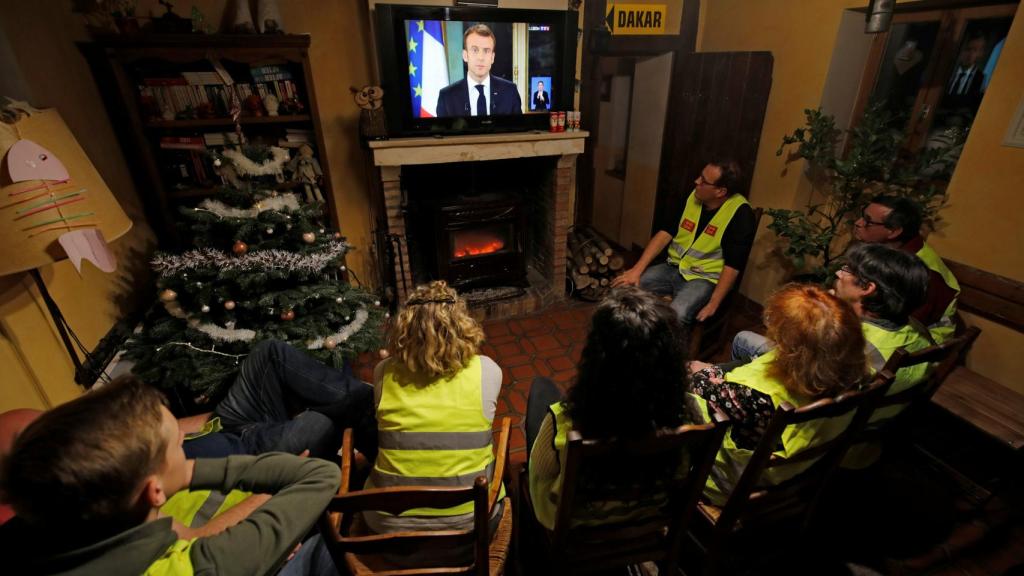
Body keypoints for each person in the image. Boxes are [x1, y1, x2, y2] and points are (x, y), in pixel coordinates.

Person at [0, 375, 340, 576]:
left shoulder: (31, 528)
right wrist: (192, 472)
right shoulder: (198, 567)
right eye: (176, 444)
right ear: (154, 491)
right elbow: (319, 476)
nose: (183, 438)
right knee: (332, 543)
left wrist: (171, 472)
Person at [526, 287, 695, 530]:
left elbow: (541, 474)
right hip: (645, 521)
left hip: (575, 526)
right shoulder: (689, 413)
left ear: (597, 354)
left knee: (541, 388)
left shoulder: (566, 421)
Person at [688, 283, 868, 504]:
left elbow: (700, 383)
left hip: (723, 481)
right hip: (791, 472)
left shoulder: (755, 398)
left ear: (794, 349)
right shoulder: (857, 381)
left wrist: (706, 373)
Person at [364, 280, 504, 534]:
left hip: (388, 523)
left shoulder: (383, 372)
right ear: (462, 324)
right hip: (472, 519)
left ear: (404, 326)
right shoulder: (488, 370)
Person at [182, 339, 378, 463]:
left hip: (225, 423)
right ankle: (377, 412)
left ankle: (372, 403)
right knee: (323, 424)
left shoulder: (159, 450)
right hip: (245, 454)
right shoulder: (161, 483)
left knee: (270, 351)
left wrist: (210, 421)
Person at [612, 159, 756, 324]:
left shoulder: (741, 214)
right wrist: (637, 269)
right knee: (622, 289)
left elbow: (733, 265)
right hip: (672, 267)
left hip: (703, 279)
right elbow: (665, 233)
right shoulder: (693, 196)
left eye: (703, 181)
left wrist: (714, 303)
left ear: (720, 191)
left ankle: (666, 348)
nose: (696, 181)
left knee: (677, 314)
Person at [853, 195, 960, 341]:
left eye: (868, 221)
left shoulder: (920, 272)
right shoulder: (892, 252)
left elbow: (903, 323)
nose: (858, 223)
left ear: (894, 231)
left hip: (918, 344)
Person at [436, 24, 523, 117]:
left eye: (486, 51)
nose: (480, 58)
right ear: (465, 55)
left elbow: (519, 130)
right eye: (475, 50)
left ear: (492, 57)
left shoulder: (510, 91)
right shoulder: (446, 97)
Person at [943, 32, 987, 112]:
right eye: (967, 49)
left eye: (975, 50)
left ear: (980, 54)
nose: (970, 54)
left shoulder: (981, 78)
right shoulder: (946, 72)